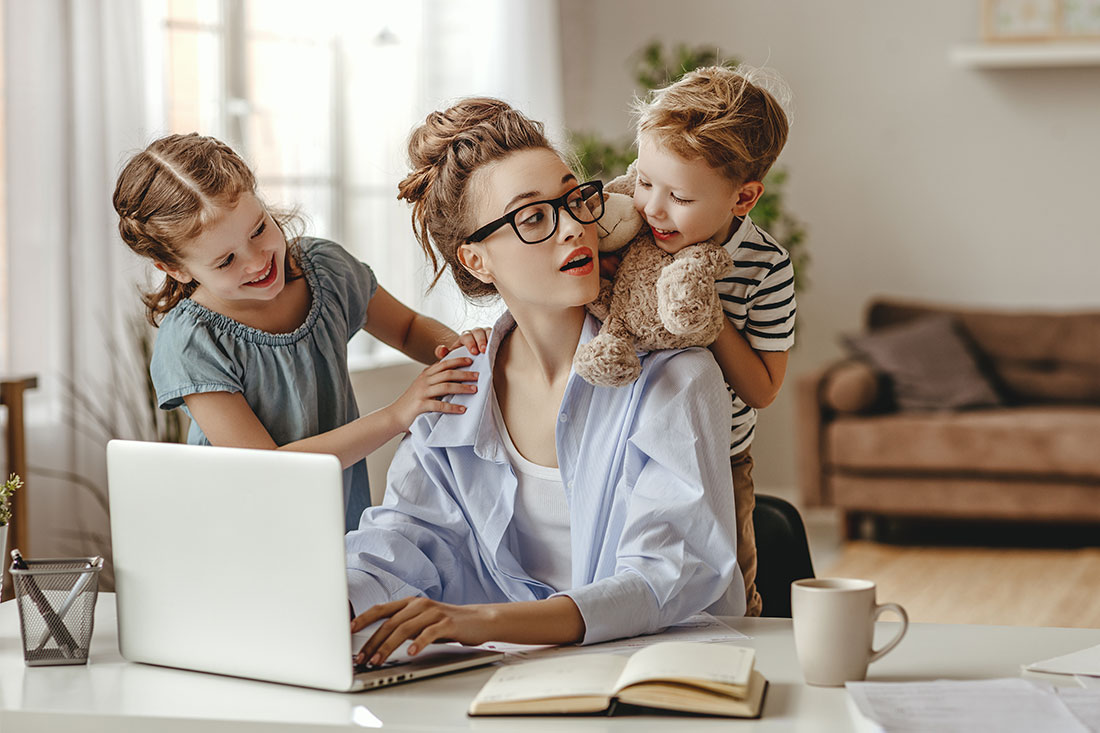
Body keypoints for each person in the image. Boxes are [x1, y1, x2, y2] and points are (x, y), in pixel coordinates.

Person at [345, 98, 743, 667]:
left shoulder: (675, 378)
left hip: (654, 677)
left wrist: (482, 621)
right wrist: (339, 599)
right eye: (534, 217)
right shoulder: (456, 390)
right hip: (502, 684)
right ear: (477, 260)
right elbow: (403, 540)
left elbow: (669, 576)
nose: (574, 228)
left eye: (573, 199)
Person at [113, 133, 487, 531]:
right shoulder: (192, 342)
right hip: (242, 534)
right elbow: (268, 468)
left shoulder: (326, 269)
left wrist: (459, 350)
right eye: (226, 261)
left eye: (258, 229)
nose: (258, 261)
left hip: (334, 515)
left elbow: (410, 329)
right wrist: (397, 415)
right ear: (176, 269)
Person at [622, 65, 796, 616]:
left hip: (719, 458)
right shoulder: (630, 227)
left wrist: (709, 318)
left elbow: (765, 389)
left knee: (729, 593)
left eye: (679, 196)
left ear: (742, 198)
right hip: (629, 445)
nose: (653, 207)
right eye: (645, 181)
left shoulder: (765, 267)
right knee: (629, 582)